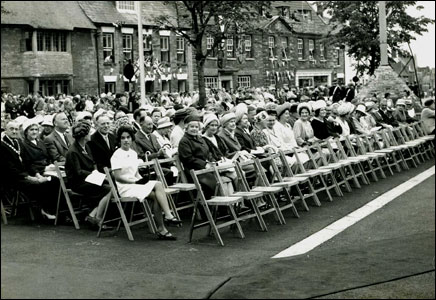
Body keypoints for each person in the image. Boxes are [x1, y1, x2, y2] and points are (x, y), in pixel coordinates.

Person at [110, 125, 180, 240]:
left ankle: (162, 229)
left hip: (135, 184)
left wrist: (140, 180)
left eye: (128, 137)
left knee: (157, 196)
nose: (126, 140)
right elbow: (118, 178)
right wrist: (134, 182)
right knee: (158, 184)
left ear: (132, 139)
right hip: (125, 187)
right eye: (123, 138)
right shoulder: (116, 155)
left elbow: (135, 173)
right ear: (119, 140)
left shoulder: (133, 153)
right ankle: (168, 216)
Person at [1, 120, 59, 220]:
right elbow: (9, 168)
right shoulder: (2, 145)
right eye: (11, 129)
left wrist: (37, 174)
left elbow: (28, 162)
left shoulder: (18, 142)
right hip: (11, 178)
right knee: (38, 185)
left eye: (16, 129)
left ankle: (49, 209)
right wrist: (30, 177)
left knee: (53, 181)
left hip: (24, 174)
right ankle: (41, 211)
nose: (14, 131)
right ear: (6, 130)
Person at [65, 121, 112, 228]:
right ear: (84, 136)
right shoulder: (73, 151)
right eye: (89, 133)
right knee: (109, 189)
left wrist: (96, 173)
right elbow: (79, 172)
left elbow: (93, 163)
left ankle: (92, 215)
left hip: (89, 178)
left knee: (111, 183)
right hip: (78, 183)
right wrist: (96, 175)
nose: (91, 135)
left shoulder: (86, 147)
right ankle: (96, 217)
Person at [178, 114, 217, 199]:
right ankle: (212, 207)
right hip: (194, 171)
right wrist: (205, 164)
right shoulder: (184, 141)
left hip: (205, 168)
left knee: (225, 178)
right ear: (186, 127)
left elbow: (208, 152)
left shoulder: (200, 138)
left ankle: (224, 207)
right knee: (215, 181)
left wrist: (212, 161)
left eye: (196, 127)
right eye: (192, 127)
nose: (194, 129)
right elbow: (189, 159)